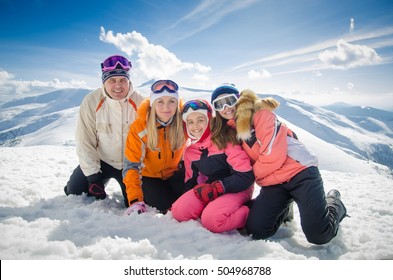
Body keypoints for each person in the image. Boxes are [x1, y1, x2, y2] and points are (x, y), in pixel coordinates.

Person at [210, 84, 347, 245]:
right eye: (219, 104)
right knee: (257, 230)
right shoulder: (230, 131)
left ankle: (335, 202)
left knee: (319, 234)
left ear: (239, 99)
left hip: (300, 172)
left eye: (229, 100)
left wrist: (249, 175)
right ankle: (285, 206)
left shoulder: (260, 114)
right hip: (274, 183)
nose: (226, 107)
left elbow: (273, 155)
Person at [64, 55, 144, 207]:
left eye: (122, 80)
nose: (118, 85)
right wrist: (93, 177)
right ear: (104, 82)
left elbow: (148, 140)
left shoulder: (140, 102)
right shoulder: (92, 100)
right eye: (112, 80)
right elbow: (85, 140)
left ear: (129, 81)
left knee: (137, 202)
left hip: (131, 165)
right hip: (103, 160)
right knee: (74, 191)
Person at [171, 99, 255, 233]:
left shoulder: (224, 139)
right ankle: (213, 207)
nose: (195, 126)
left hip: (238, 187)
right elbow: (191, 181)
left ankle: (252, 209)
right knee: (179, 212)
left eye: (200, 120)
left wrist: (219, 187)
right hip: (210, 189)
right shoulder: (191, 151)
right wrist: (186, 201)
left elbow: (245, 176)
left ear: (209, 120)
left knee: (213, 221)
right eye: (190, 122)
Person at [123, 79, 186, 214]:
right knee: (168, 206)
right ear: (152, 104)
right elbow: (131, 166)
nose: (166, 107)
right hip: (149, 178)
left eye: (171, 101)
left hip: (174, 175)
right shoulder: (139, 128)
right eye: (160, 102)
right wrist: (135, 200)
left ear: (177, 104)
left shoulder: (184, 123)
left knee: (188, 201)